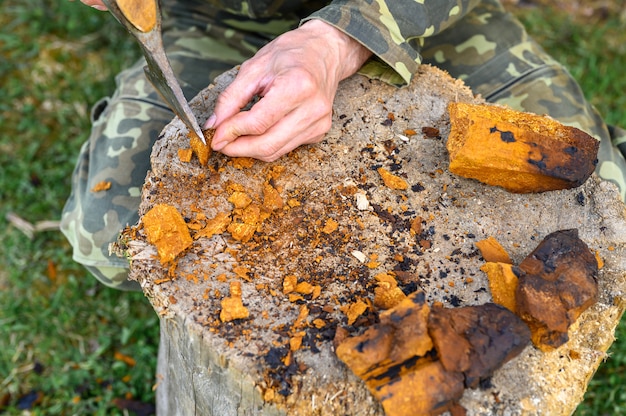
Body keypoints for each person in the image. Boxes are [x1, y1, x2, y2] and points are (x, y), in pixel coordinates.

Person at [64, 0, 626, 290]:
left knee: (607, 209)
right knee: (108, 235)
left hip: (414, 17)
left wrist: (339, 39)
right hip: (218, 19)